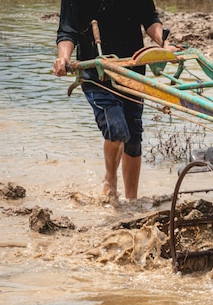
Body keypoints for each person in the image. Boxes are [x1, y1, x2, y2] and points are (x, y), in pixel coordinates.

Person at [53, 0, 176, 202]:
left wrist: (165, 44)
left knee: (134, 139)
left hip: (132, 71)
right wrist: (63, 58)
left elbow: (149, 19)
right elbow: (67, 31)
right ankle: (110, 180)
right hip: (97, 74)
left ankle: (132, 201)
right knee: (117, 129)